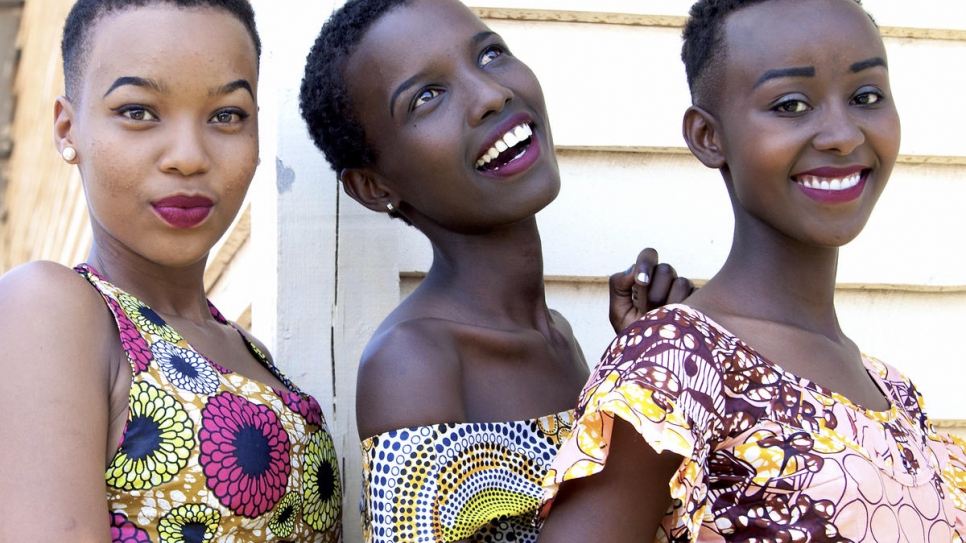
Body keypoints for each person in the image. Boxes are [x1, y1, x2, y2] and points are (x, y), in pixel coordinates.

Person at [536, 0, 966, 541]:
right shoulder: (677, 361)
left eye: (866, 96)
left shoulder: (895, 394)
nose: (843, 134)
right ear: (707, 137)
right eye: (790, 104)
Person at [298, 0, 693, 540]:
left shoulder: (561, 338)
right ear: (375, 186)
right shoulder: (416, 362)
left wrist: (646, 357)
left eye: (489, 54)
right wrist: (648, 394)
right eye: (427, 97)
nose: (491, 94)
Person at [0, 1, 342, 541]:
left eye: (227, 114)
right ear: (68, 128)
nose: (188, 156)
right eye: (138, 111)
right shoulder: (48, 309)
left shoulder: (251, 353)